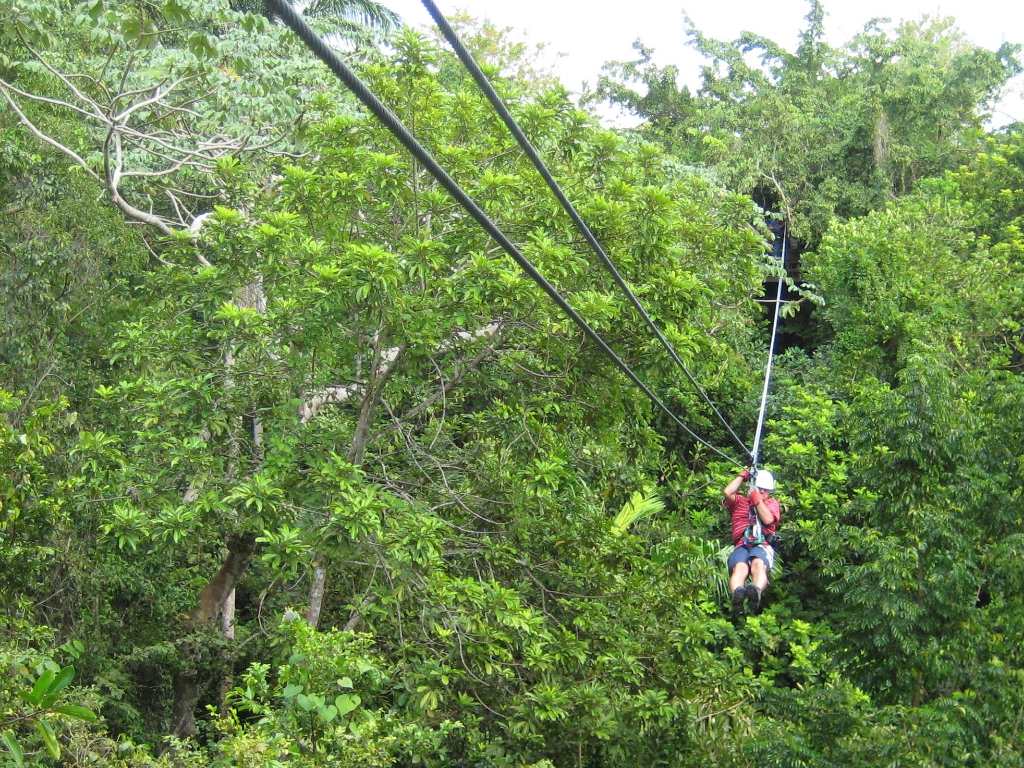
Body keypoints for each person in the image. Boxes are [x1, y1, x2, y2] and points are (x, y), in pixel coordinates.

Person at [723, 468, 780, 612]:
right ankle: (737, 593)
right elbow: (727, 492)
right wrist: (743, 476)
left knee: (758, 564)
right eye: (759, 489)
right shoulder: (739, 502)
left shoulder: (771, 503)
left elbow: (768, 519)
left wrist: (757, 500)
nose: (762, 492)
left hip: (762, 543)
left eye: (765, 490)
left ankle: (756, 592)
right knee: (740, 568)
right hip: (742, 543)